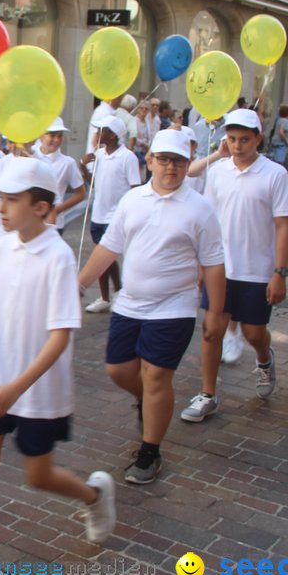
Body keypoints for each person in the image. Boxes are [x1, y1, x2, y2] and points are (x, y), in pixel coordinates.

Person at [0, 157, 115, 575]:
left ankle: (94, 497)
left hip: (38, 390)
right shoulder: (4, 245)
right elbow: (4, 316)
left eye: (11, 200)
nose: (0, 206)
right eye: (0, 198)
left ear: (40, 207)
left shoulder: (56, 258)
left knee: (37, 476)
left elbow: (59, 338)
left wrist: (16, 389)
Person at [78, 130, 225, 484]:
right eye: (163, 159)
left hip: (174, 308)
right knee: (118, 370)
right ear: (150, 161)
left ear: (188, 164)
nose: (170, 167)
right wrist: (78, 284)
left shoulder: (200, 209)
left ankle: (150, 452)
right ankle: (152, 403)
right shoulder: (132, 201)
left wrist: (215, 313)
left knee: (158, 376)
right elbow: (109, 248)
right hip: (130, 303)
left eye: (178, 161)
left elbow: (214, 264)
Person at [179, 110, 288, 423]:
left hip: (257, 269)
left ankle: (264, 359)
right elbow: (208, 222)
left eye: (245, 139)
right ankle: (208, 393)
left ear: (258, 138)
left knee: (254, 333)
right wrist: (201, 264)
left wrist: (280, 272)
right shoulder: (217, 173)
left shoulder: (275, 174)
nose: (238, 145)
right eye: (232, 139)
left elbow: (283, 226)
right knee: (211, 330)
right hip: (220, 268)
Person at [79, 117, 140, 313]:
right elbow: (95, 183)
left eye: (103, 130)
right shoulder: (99, 155)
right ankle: (112, 294)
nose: (98, 134)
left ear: (113, 135)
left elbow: (135, 187)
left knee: (105, 256)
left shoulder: (127, 157)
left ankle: (110, 295)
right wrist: (82, 167)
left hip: (115, 215)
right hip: (99, 212)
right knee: (104, 256)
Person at [33, 119, 87, 232]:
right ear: (41, 136)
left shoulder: (68, 163)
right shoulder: (30, 155)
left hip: (54, 224)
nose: (56, 140)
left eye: (60, 136)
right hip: (30, 221)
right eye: (52, 135)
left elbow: (81, 194)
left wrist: (56, 210)